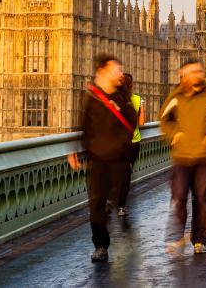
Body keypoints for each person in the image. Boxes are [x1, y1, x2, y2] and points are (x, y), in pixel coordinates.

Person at [68, 55, 136, 263]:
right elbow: (84, 124)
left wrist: (122, 145)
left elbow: (132, 121)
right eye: (116, 69)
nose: (120, 73)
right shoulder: (91, 95)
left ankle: (118, 229)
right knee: (96, 204)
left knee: (115, 198)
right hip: (96, 158)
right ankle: (100, 245)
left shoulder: (122, 95)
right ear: (103, 71)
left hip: (117, 157)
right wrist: (77, 151)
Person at [160, 59, 206, 255]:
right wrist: (174, 134)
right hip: (182, 157)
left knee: (202, 200)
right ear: (183, 75)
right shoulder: (176, 97)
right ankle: (177, 236)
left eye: (199, 71)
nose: (197, 75)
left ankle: (199, 239)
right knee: (179, 196)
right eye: (193, 72)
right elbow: (164, 119)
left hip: (205, 156)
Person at [114, 72, 146, 217]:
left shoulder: (114, 99)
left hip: (117, 142)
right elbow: (141, 123)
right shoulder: (139, 99)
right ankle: (121, 206)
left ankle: (110, 198)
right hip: (134, 142)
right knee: (126, 173)